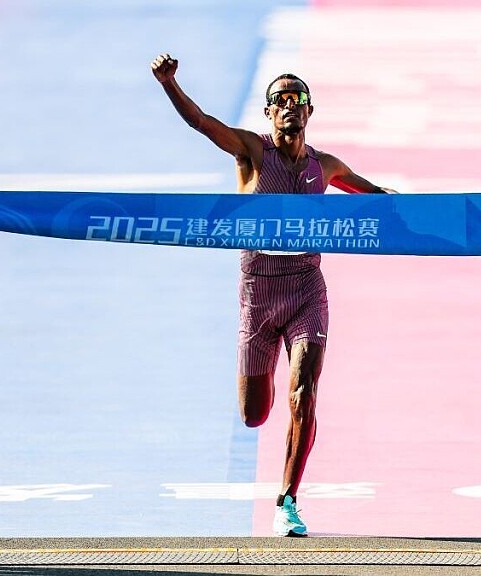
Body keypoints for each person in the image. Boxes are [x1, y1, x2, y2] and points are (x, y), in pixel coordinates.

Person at [151, 53, 393, 536]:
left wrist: (431, 215)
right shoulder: (252, 153)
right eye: (279, 99)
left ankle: (287, 500)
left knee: (304, 393)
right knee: (254, 414)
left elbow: (375, 197)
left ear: (309, 110)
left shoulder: (325, 166)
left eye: (297, 98)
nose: (288, 105)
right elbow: (202, 123)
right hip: (258, 294)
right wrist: (169, 83)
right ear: (268, 112)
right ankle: (262, 384)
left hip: (306, 288)